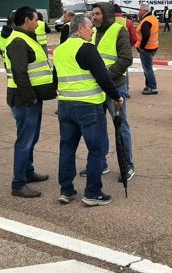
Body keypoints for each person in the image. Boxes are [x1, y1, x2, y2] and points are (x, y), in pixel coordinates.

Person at [54, 14, 123, 206]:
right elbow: (103, 77)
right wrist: (117, 97)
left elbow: (55, 79)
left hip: (65, 106)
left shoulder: (59, 50)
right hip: (88, 107)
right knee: (97, 149)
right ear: (80, 28)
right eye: (90, 27)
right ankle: (93, 192)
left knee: (67, 148)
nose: (92, 30)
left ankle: (66, 190)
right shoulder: (87, 49)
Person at [5, 6, 57, 198]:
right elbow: (20, 73)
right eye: (35, 20)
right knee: (25, 141)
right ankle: (18, 183)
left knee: (31, 139)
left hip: (32, 99)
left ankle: (28, 172)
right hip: (25, 100)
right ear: (26, 20)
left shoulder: (26, 38)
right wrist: (31, 97)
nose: (37, 23)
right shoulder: (18, 41)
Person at [91, 2, 134, 181]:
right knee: (99, 127)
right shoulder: (93, 32)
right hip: (96, 89)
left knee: (121, 126)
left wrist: (106, 78)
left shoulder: (119, 31)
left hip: (115, 86)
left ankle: (128, 166)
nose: (94, 17)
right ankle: (102, 164)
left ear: (107, 14)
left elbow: (126, 58)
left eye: (98, 14)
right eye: (93, 14)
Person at [136, 3, 159, 95]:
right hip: (153, 46)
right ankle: (149, 85)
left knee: (147, 68)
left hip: (147, 48)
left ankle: (153, 87)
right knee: (148, 67)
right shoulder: (152, 18)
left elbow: (146, 35)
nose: (139, 12)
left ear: (145, 11)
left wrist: (141, 47)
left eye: (140, 10)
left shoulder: (146, 21)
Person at [114, 4, 137, 98]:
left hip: (109, 50)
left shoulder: (107, 22)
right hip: (123, 50)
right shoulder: (128, 22)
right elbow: (134, 38)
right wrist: (127, 46)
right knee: (124, 71)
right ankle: (125, 91)